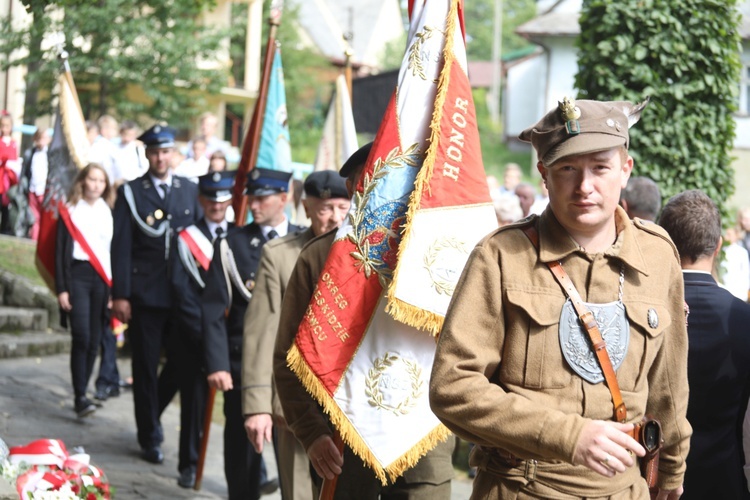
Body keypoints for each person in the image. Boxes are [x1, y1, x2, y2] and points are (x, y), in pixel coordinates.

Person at [429, 98, 691, 499]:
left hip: (623, 490)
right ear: (544, 175)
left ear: (625, 170)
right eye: (568, 169)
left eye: (600, 167)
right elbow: (453, 386)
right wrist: (569, 435)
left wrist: (670, 472)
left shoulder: (657, 256)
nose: (584, 186)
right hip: (520, 487)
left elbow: (668, 386)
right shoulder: (500, 257)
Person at [273, 143, 455, 499]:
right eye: (374, 181)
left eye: (400, 181)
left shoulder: (444, 256)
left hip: (422, 445)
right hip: (343, 443)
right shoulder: (320, 258)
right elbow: (290, 357)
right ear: (354, 189)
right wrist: (311, 433)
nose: (388, 193)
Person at [242, 170, 350, 500]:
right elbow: (264, 330)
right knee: (300, 493)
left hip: (348, 405)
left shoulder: (365, 256)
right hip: (297, 401)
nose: (335, 218)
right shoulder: (281, 255)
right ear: (305, 208)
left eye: (343, 208)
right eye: (325, 208)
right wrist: (258, 404)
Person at [202, 167, 301, 500]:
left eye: (262, 198)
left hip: (294, 368)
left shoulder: (306, 241)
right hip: (242, 363)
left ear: (284, 199)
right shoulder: (232, 243)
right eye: (251, 198)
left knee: (296, 460)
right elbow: (213, 310)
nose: (253, 205)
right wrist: (217, 363)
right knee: (242, 456)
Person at [111, 124, 202, 464]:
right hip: (145, 295)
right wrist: (121, 294)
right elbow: (121, 246)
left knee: (180, 364)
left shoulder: (190, 190)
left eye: (165, 151)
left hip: (182, 297)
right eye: (154, 152)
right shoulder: (132, 192)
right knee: (146, 367)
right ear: (147, 154)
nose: (160, 158)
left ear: (173, 154)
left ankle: (153, 411)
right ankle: (149, 435)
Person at [658, 189, 750, 499]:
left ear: (666, 244)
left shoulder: (643, 313)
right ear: (719, 245)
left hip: (654, 482)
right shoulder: (744, 317)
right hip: (724, 481)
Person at [160, 170, 235, 488]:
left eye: (222, 200)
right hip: (193, 336)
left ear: (229, 200)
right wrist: (206, 333)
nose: (216, 206)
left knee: (239, 407)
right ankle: (188, 465)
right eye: (210, 200)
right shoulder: (185, 238)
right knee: (193, 404)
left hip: (230, 338)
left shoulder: (239, 237)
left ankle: (253, 473)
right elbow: (181, 290)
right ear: (201, 201)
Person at [55, 163, 114, 418]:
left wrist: (114, 290)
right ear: (83, 181)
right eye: (92, 179)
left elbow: (111, 252)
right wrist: (62, 289)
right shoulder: (70, 209)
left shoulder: (108, 211)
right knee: (80, 335)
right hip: (77, 276)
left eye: (102, 181)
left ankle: (84, 391)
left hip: (101, 279)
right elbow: (60, 252)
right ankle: (79, 395)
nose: (97, 185)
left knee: (94, 339)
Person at [22, 128, 51, 240]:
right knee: (34, 217)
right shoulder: (31, 153)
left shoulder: (49, 154)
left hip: (44, 190)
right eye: (40, 138)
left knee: (44, 216)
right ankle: (34, 238)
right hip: (33, 189)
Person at [0, 112, 20, 235]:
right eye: (2, 125)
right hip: (1, 176)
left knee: (7, 203)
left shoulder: (13, 143)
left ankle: (5, 227)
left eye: (7, 125)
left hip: (9, 178)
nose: (4, 128)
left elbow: (14, 159)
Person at [111, 120, 148, 185]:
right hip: (117, 183)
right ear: (121, 132)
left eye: (130, 135)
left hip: (134, 183)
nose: (127, 138)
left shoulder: (138, 148)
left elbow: (144, 167)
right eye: (126, 134)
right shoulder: (113, 146)